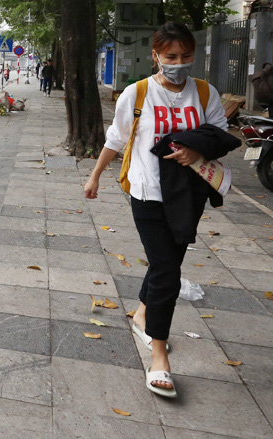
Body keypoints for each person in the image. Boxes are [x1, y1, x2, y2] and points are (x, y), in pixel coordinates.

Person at [83, 22, 235, 400]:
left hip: (188, 194)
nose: (178, 63)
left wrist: (196, 151)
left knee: (164, 264)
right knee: (168, 270)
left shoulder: (204, 92)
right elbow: (116, 139)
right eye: (170, 57)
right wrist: (95, 176)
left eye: (185, 56)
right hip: (147, 192)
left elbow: (220, 134)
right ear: (155, 56)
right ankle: (159, 355)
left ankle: (141, 314)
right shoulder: (136, 94)